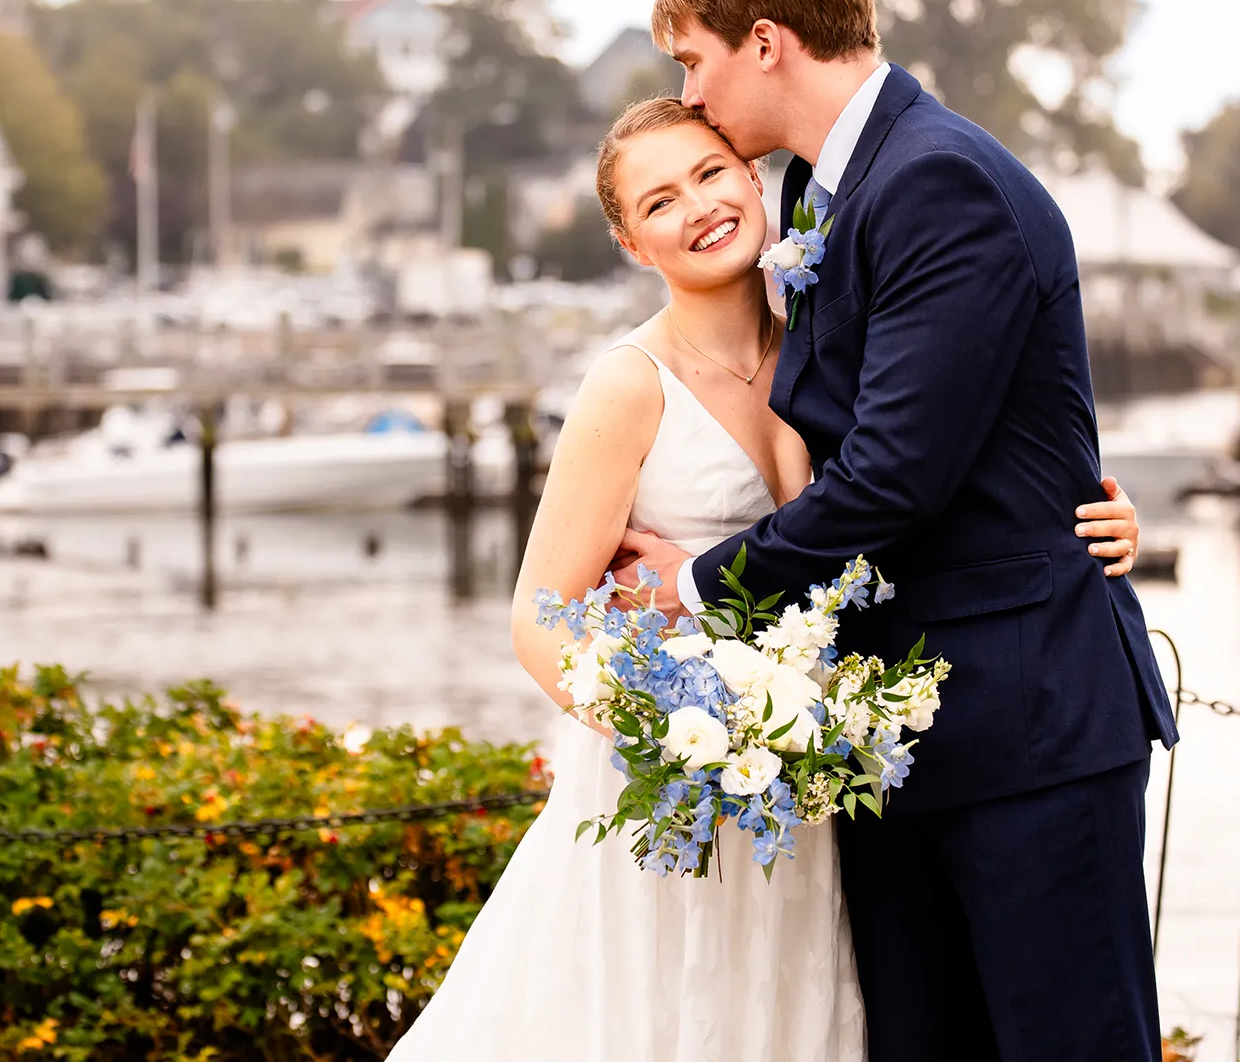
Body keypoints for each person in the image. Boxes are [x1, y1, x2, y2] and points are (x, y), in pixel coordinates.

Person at [386, 94, 1144, 1057]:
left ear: (755, 178)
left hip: (816, 796)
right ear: (631, 243)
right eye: (659, 202)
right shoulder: (628, 385)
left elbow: (934, 466)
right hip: (684, 788)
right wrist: (680, 733)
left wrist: (1095, 509)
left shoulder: (835, 340)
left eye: (709, 173)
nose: (698, 206)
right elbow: (541, 618)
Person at [610, 0, 1179, 1061]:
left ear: (765, 41)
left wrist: (694, 585)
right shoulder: (832, 194)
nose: (692, 89)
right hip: (898, 733)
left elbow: (893, 479)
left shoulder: (937, 182)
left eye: (694, 59)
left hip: (1025, 725)